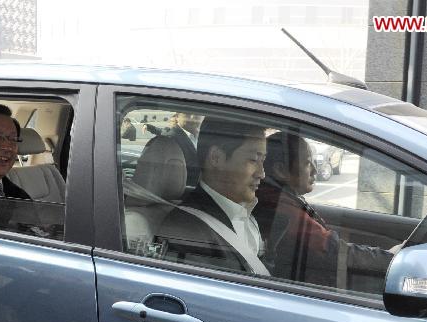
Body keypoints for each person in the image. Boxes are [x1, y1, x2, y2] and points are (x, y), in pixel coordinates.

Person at [253, 131, 393, 287]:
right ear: (281, 171)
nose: (315, 169)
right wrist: (392, 259)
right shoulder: (280, 208)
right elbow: (331, 250)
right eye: (307, 163)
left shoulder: (282, 198)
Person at [155, 117, 268, 273]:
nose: (262, 173)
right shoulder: (186, 232)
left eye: (263, 160)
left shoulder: (246, 215)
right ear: (216, 158)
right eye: (254, 160)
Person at [143, 111, 203, 186]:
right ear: (177, 117)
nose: (193, 117)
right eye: (187, 113)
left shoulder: (201, 136)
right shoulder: (171, 139)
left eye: (197, 113)